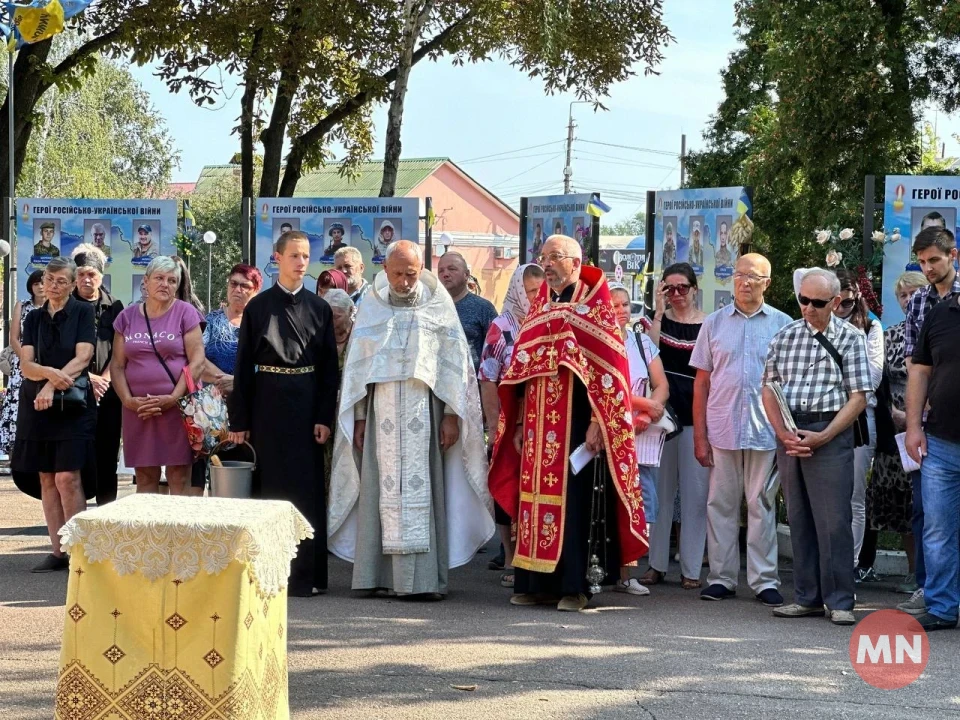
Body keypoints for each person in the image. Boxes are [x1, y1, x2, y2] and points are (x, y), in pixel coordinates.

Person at [489, 235, 647, 612]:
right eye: (544, 257)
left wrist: (599, 421)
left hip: (577, 424)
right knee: (533, 503)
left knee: (576, 504)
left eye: (555, 257)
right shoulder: (539, 307)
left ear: (576, 262)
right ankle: (536, 582)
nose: (547, 264)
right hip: (539, 424)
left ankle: (576, 587)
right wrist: (518, 423)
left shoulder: (596, 308)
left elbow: (610, 372)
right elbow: (521, 372)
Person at [328, 240, 493, 599]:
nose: (404, 281)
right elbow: (357, 371)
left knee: (425, 490)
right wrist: (357, 418)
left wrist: (452, 416)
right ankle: (376, 576)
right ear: (385, 271)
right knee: (378, 490)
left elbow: (455, 368)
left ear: (422, 271)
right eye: (398, 273)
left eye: (411, 274)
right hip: (379, 414)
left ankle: (422, 581)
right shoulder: (371, 305)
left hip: (426, 412)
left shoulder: (439, 305)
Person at [228, 231, 340, 597]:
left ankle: (307, 575)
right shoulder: (259, 308)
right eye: (294, 255)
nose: (301, 262)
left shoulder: (320, 308)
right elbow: (243, 366)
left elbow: (329, 370)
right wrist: (239, 421)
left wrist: (324, 415)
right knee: (269, 488)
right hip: (267, 405)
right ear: (277, 257)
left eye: (306, 255)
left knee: (306, 491)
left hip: (307, 404)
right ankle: (267, 569)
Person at [762, 268, 872, 626]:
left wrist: (825, 436)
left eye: (818, 302)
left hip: (831, 428)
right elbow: (767, 388)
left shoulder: (853, 339)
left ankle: (840, 600)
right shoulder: (785, 335)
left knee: (834, 520)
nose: (808, 308)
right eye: (803, 300)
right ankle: (807, 597)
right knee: (799, 516)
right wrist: (782, 433)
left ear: (836, 302)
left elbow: (858, 398)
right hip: (791, 429)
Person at [690, 254, 791, 607]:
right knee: (720, 504)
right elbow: (701, 383)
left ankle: (764, 581)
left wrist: (787, 431)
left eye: (753, 276)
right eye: (739, 275)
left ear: (768, 282)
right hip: (722, 428)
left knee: (761, 504)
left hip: (766, 431)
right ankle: (721, 578)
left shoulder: (783, 324)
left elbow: (790, 384)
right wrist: (699, 435)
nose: (744, 282)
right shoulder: (714, 324)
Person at [13, 257, 96, 572]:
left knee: (67, 477)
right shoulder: (33, 319)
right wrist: (48, 378)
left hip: (72, 404)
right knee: (47, 476)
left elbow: (83, 356)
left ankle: (79, 553)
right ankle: (58, 551)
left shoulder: (84, 312)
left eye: (62, 280)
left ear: (73, 285)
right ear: (42, 282)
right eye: (50, 279)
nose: (54, 285)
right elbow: (26, 364)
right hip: (37, 405)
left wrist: (51, 385)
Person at [898, 225, 960, 617]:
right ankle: (940, 607)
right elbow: (917, 369)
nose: (929, 268)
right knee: (936, 529)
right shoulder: (931, 309)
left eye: (934, 260)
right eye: (922, 262)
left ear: (953, 256)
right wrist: (914, 426)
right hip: (939, 438)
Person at [639, 263, 709, 590]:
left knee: (696, 496)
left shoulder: (709, 325)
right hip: (662, 420)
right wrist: (657, 310)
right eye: (670, 288)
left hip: (697, 418)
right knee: (660, 492)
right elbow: (649, 352)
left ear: (695, 289)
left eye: (682, 287)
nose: (677, 294)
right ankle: (655, 565)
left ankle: (691, 569)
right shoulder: (657, 322)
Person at [111, 257, 206, 495]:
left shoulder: (186, 313)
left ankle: (178, 532)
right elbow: (117, 365)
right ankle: (150, 532)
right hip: (139, 409)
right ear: (146, 281)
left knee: (178, 474)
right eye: (159, 278)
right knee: (144, 476)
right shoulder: (127, 317)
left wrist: (174, 397)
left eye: (172, 280)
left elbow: (197, 361)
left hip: (178, 406)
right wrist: (128, 401)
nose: (165, 284)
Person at [478, 263, 546, 588]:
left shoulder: (547, 323)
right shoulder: (502, 327)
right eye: (531, 291)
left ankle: (534, 552)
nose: (536, 298)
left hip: (542, 421)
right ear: (519, 290)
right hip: (507, 419)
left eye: (540, 291)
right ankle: (508, 554)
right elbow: (488, 378)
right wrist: (495, 426)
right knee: (507, 481)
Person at [866, 272, 927, 592]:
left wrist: (920, 414)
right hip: (897, 431)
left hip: (937, 425)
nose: (908, 299)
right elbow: (877, 384)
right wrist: (894, 414)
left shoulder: (944, 330)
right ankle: (913, 571)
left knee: (934, 505)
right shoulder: (888, 336)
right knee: (904, 504)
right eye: (902, 295)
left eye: (914, 292)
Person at [611, 283, 669, 597]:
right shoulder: (597, 341)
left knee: (642, 502)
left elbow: (661, 385)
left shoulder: (641, 341)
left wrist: (647, 414)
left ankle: (628, 573)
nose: (621, 310)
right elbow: (606, 389)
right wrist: (645, 405)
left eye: (625, 305)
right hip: (609, 434)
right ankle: (603, 568)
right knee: (609, 503)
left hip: (641, 437)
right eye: (614, 304)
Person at [833, 269, 884, 570]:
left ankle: (850, 565)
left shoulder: (871, 325)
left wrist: (836, 390)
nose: (840, 309)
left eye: (847, 303)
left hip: (859, 416)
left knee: (853, 495)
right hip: (821, 415)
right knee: (825, 494)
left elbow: (872, 377)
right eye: (835, 302)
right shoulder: (817, 320)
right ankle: (825, 562)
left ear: (857, 298)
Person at [71, 246, 125, 506]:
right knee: (75, 455)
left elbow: (120, 349)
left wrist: (103, 378)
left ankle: (106, 513)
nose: (86, 279)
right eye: (81, 274)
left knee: (107, 454)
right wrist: (87, 377)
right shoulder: (65, 305)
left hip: (109, 391)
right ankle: (77, 517)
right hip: (73, 390)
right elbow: (60, 348)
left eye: (91, 274)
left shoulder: (115, 306)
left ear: (101, 277)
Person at [0, 270, 45, 459]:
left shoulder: (56, 306)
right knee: (17, 406)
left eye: (43, 283)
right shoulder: (22, 305)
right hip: (23, 366)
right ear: (31, 287)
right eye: (36, 284)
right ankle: (14, 454)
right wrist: (27, 360)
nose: (40, 287)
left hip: (47, 365)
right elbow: (14, 337)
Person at [319, 288, 355, 497]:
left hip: (351, 409)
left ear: (350, 311)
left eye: (337, 315)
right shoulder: (319, 337)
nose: (331, 320)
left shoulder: (359, 337)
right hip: (326, 411)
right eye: (327, 314)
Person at [202, 264, 262, 389]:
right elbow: (197, 359)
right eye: (233, 283)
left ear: (256, 290)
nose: (237, 289)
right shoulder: (211, 320)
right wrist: (227, 382)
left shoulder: (263, 324)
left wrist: (238, 383)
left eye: (245, 286)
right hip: (213, 400)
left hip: (251, 398)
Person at [437, 252, 497, 371]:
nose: (445, 274)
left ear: (466, 274)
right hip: (438, 386)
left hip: (473, 386)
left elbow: (496, 351)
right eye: (441, 271)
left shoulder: (483, 308)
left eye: (452, 269)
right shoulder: (431, 308)